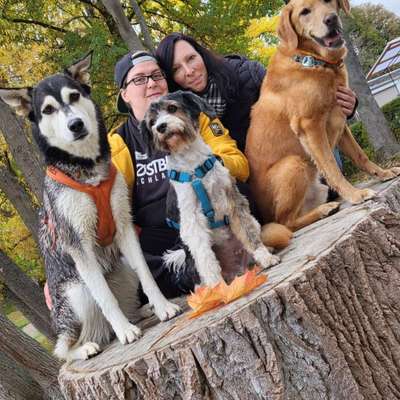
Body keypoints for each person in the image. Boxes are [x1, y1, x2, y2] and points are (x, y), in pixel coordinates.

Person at [108, 50, 250, 298]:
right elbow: (108, 210)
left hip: (211, 214)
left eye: (156, 75)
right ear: (125, 95)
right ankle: (190, 273)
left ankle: (222, 260)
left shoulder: (195, 117)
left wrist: (209, 168)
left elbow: (238, 163)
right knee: (126, 260)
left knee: (240, 192)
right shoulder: (118, 143)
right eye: (139, 79)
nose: (151, 83)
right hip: (162, 236)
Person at [155, 32, 357, 194]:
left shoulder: (247, 74)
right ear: (172, 79)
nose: (189, 70)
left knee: (328, 185)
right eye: (177, 69)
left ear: (202, 55)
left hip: (299, 157)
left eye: (191, 58)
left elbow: (305, 109)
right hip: (253, 183)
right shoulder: (183, 118)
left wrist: (347, 107)